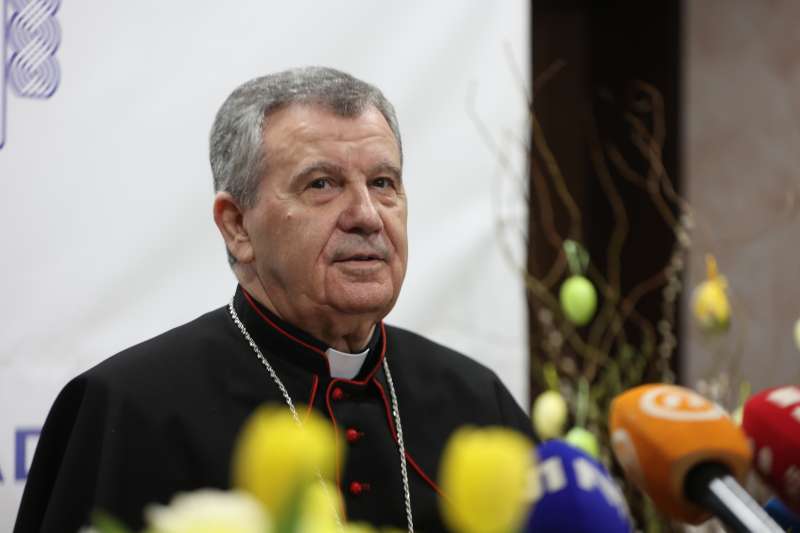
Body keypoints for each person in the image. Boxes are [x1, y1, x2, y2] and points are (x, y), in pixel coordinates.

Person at [14, 66, 533, 532]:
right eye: (322, 184)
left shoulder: (478, 403)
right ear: (237, 226)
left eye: (383, 182)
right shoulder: (128, 410)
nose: (367, 215)